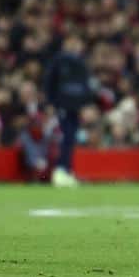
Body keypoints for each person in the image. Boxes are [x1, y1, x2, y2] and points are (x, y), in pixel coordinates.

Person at [42, 33, 93, 187]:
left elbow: (86, 87)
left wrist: (86, 105)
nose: (77, 45)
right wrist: (50, 103)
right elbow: (49, 82)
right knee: (64, 138)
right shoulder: (59, 61)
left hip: (75, 108)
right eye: (74, 42)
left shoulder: (81, 63)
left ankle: (66, 170)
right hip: (62, 106)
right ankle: (60, 170)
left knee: (70, 139)